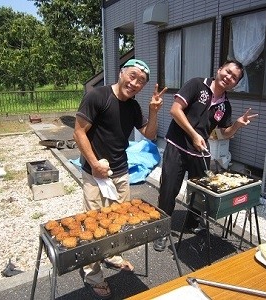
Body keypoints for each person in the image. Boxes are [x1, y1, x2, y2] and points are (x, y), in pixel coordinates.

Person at [73, 58, 167, 299]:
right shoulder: (98, 96)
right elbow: (79, 131)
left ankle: (112, 255)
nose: (135, 83)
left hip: (120, 172)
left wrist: (154, 112)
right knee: (93, 224)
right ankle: (93, 274)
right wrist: (94, 164)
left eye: (141, 81)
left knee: (119, 220)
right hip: (94, 173)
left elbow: (149, 134)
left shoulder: (133, 107)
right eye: (132, 76)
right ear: (121, 73)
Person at [153, 59, 258, 252]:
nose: (229, 77)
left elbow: (223, 133)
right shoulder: (196, 85)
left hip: (200, 151)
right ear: (219, 70)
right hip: (177, 145)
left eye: (234, 78)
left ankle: (193, 222)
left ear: (235, 84)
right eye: (227, 72)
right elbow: (175, 110)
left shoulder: (225, 106)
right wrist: (193, 135)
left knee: (200, 192)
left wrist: (237, 124)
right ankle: (161, 230)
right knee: (168, 190)